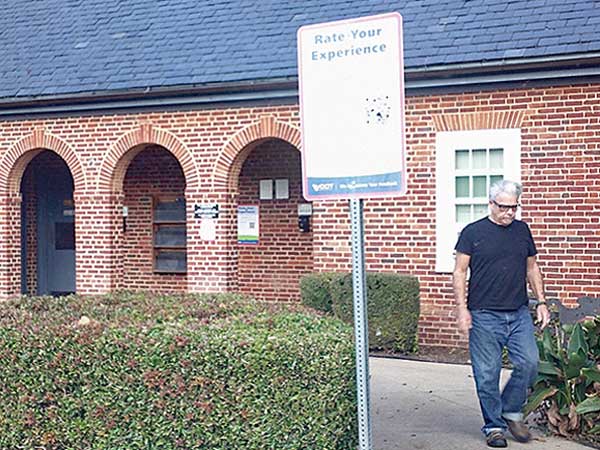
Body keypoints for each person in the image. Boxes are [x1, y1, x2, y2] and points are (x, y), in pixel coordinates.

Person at [452, 180, 551, 448]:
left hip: (518, 313)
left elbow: (532, 268)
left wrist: (541, 302)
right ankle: (494, 427)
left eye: (514, 207)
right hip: (483, 315)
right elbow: (460, 271)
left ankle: (510, 410)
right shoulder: (472, 233)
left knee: (530, 363)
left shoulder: (522, 230)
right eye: (504, 207)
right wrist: (462, 309)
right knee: (487, 374)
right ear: (491, 204)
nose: (509, 213)